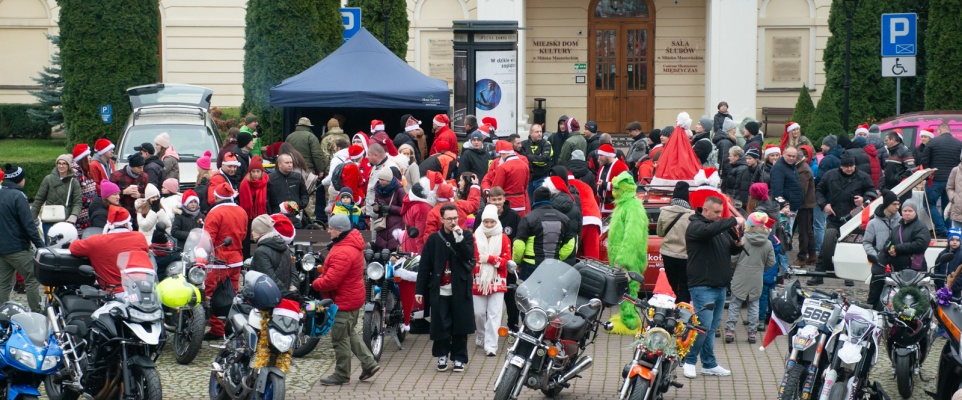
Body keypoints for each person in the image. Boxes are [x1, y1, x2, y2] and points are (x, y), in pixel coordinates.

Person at [311, 212, 381, 385]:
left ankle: (342, 374)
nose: (328, 231)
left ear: (340, 230)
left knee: (339, 338)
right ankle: (369, 364)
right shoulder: (348, 244)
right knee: (349, 333)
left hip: (343, 300)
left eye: (331, 228)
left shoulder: (343, 251)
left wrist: (315, 283)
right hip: (352, 297)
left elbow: (331, 281)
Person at [682, 196, 744, 379]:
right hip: (703, 286)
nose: (719, 215)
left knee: (710, 328)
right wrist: (733, 220)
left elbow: (726, 250)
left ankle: (709, 364)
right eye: (716, 212)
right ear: (705, 210)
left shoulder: (717, 228)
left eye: (721, 212)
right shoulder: (696, 226)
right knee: (702, 326)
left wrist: (737, 246)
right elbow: (708, 231)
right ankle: (689, 361)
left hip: (720, 286)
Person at [415, 204, 476, 372]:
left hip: (460, 288)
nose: (453, 222)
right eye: (449, 219)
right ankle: (441, 354)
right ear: (442, 219)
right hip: (440, 289)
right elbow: (425, 267)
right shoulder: (434, 239)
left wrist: (459, 239)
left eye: (455, 218)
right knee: (440, 324)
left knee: (460, 325)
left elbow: (469, 255)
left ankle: (459, 358)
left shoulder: (466, 236)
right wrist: (419, 290)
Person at [809, 153, 877, 285]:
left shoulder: (863, 176)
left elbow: (872, 192)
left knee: (849, 246)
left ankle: (849, 275)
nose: (850, 169)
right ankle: (818, 274)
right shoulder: (830, 175)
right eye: (846, 166)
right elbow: (819, 191)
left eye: (852, 166)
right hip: (834, 216)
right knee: (826, 246)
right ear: (841, 166)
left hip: (854, 218)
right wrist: (824, 205)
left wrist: (864, 199)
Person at [69, 206, 152, 293]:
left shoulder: (96, 241)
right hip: (140, 291)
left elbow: (73, 248)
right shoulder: (139, 237)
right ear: (126, 224)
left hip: (112, 293)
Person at [203, 182, 248, 340]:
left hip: (218, 259)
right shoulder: (241, 211)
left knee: (213, 294)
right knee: (232, 294)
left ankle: (217, 329)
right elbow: (243, 234)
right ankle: (231, 326)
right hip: (236, 258)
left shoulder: (215, 213)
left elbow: (208, 239)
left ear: (216, 197)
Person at [725, 212, 776, 345]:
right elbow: (771, 262)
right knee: (754, 305)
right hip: (757, 277)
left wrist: (735, 266)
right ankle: (752, 333)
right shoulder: (768, 243)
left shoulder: (743, 239)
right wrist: (761, 268)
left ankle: (730, 330)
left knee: (735, 304)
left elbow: (733, 259)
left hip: (740, 275)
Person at [0, 163, 45, 311]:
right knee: (33, 277)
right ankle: (37, 311)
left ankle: (2, 313)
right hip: (17, 247)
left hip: (2, 249)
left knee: (3, 284)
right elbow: (29, 225)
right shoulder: (19, 196)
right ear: (19, 179)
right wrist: (41, 245)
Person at [512, 187, 574, 280]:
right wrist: (558, 257)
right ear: (550, 198)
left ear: (534, 199)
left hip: (531, 266)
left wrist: (517, 262)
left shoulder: (528, 218)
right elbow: (570, 243)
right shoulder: (564, 218)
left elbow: (519, 245)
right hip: (554, 266)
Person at [471, 205, 509, 357]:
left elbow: (506, 261)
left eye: (492, 222)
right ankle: (481, 333)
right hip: (478, 279)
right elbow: (471, 258)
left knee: (495, 314)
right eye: (486, 222)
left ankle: (491, 345)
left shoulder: (503, 238)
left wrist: (490, 259)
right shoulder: (474, 237)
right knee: (478, 313)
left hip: (497, 279)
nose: (488, 225)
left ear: (496, 221)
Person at [920, 122, 962, 237]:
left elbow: (924, 159)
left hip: (935, 179)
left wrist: (929, 173)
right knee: (947, 207)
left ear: (939, 131)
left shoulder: (932, 142)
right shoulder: (959, 144)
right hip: (952, 182)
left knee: (928, 204)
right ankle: (949, 231)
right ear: (949, 131)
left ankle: (940, 228)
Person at [863, 190, 901, 309]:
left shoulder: (901, 221)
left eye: (898, 204)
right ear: (886, 204)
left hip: (898, 259)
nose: (897, 207)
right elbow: (867, 242)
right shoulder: (873, 223)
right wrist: (875, 256)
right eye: (894, 204)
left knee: (898, 294)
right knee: (874, 293)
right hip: (880, 261)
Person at [657, 182, 694, 303]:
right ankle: (683, 309)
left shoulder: (664, 212)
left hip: (668, 253)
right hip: (685, 255)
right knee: (684, 285)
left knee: (670, 283)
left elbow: (660, 233)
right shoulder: (691, 215)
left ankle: (669, 308)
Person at [32, 154, 82, 237]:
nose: (61, 166)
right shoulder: (48, 179)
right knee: (49, 243)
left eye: (64, 163)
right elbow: (39, 199)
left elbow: (77, 202)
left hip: (66, 220)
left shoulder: (73, 182)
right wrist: (33, 217)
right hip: (49, 219)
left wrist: (73, 215)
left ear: (68, 166)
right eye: (59, 163)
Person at [249, 214, 299, 291]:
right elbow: (293, 272)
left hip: (271, 295)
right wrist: (291, 289)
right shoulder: (285, 247)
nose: (252, 233)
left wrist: (285, 293)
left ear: (260, 232)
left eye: (254, 230)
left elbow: (269, 280)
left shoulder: (261, 252)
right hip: (286, 293)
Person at [481, 141, 530, 217]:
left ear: (503, 153)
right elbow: (526, 184)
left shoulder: (503, 167)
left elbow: (497, 188)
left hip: (506, 203)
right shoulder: (524, 165)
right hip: (521, 202)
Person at [543, 175, 582, 264]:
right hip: (569, 254)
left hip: (550, 256)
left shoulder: (547, 207)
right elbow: (579, 232)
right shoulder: (575, 206)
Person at [887, 200, 931, 271]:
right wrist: (890, 249)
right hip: (898, 270)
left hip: (915, 270)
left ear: (915, 212)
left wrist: (897, 248)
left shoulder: (921, 227)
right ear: (901, 212)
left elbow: (920, 245)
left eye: (910, 211)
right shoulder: (896, 229)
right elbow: (888, 243)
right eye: (905, 211)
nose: (907, 213)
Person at [266, 154, 308, 225]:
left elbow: (304, 194)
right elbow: (267, 199)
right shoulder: (270, 179)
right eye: (287, 163)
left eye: (291, 162)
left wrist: (300, 205)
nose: (290, 165)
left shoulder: (297, 177)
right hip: (277, 217)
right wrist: (271, 214)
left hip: (295, 216)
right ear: (279, 164)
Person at [371, 167, 406, 251]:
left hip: (396, 225)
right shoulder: (378, 189)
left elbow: (405, 209)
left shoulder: (399, 190)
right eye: (379, 179)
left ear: (389, 180)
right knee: (381, 249)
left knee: (393, 249)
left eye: (383, 179)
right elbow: (376, 201)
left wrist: (390, 208)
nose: (380, 181)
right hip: (382, 225)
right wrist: (376, 208)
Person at [769, 147, 801, 232]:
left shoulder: (792, 166)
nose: (791, 158)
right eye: (789, 156)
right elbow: (777, 191)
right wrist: (783, 206)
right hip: (786, 207)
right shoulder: (778, 168)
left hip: (793, 205)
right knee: (785, 232)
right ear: (783, 154)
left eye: (793, 156)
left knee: (788, 231)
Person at [795, 145, 817, 266]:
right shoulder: (802, 168)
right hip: (806, 204)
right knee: (808, 230)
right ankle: (812, 254)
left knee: (804, 231)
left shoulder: (803, 170)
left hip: (804, 205)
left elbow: (801, 191)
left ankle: (802, 257)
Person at [400, 179, 436, 254]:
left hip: (409, 238)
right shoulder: (422, 208)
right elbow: (420, 234)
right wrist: (421, 254)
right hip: (415, 245)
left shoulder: (410, 199)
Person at [595, 144, 629, 218]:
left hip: (615, 208)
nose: (598, 159)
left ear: (608, 155)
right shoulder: (602, 167)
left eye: (601, 155)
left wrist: (606, 185)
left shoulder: (621, 167)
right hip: (601, 207)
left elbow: (625, 185)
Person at [522, 123, 554, 196]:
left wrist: (527, 156)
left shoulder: (546, 144)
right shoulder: (523, 144)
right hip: (528, 180)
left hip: (542, 178)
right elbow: (522, 160)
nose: (539, 134)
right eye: (537, 132)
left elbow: (543, 160)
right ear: (531, 133)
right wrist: (536, 157)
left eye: (540, 131)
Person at [70, 144, 97, 230]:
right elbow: (75, 195)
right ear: (82, 158)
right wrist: (90, 202)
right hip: (81, 216)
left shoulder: (84, 171)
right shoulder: (75, 174)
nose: (90, 157)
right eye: (88, 155)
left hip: (89, 212)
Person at [935, 228, 962, 296]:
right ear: (948, 241)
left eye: (957, 240)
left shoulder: (961, 254)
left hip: (955, 288)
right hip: (942, 287)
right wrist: (938, 281)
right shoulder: (942, 253)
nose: (955, 242)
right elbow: (937, 268)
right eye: (952, 240)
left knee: (955, 302)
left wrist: (955, 283)